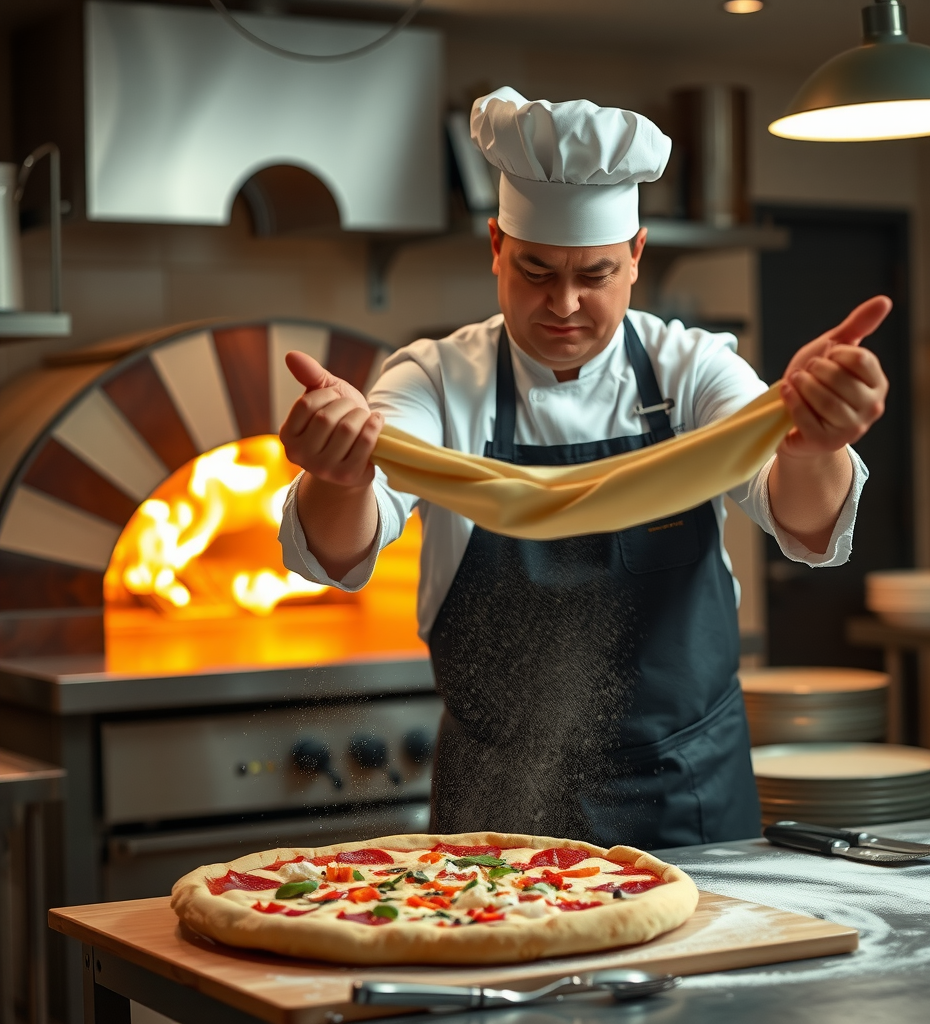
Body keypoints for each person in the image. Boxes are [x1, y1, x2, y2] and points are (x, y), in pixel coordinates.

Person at [279, 88, 889, 848]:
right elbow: (341, 551)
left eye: (594, 274)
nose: (563, 303)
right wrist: (340, 476)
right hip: (500, 801)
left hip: (685, 794)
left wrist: (811, 442)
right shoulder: (434, 379)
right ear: (496, 246)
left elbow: (802, 521)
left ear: (635, 257)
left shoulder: (693, 371)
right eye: (535, 271)